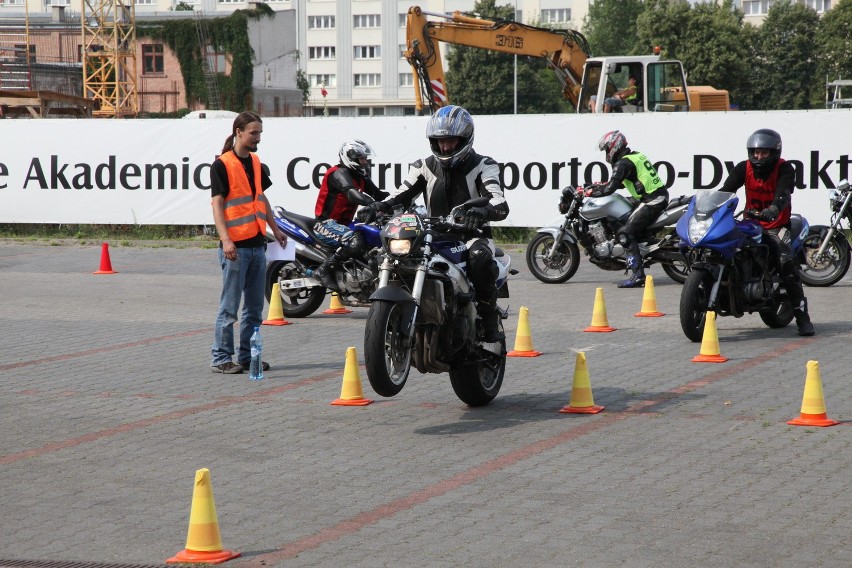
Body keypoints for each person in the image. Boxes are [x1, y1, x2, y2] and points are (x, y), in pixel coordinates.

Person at [365, 105, 509, 343]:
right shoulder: (424, 166)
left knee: (479, 257)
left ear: (464, 139)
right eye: (439, 141)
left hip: (472, 235)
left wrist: (480, 212)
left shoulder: (484, 165)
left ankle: (488, 317)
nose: (444, 147)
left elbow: (498, 201)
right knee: (391, 255)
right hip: (435, 234)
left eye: (450, 141)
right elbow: (400, 194)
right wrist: (378, 206)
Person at [210, 111, 288, 374]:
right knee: (229, 308)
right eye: (254, 133)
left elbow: (261, 198)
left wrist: (275, 229)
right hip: (235, 249)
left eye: (260, 133)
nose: (258, 138)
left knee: (254, 310)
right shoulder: (222, 164)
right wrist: (226, 240)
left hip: (257, 246)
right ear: (239, 132)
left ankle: (247, 357)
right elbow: (217, 205)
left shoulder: (255, 162)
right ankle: (221, 358)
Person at [718, 128, 814, 336]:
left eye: (764, 152)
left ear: (774, 152)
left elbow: (784, 192)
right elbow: (726, 190)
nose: (759, 156)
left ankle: (802, 317)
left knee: (786, 265)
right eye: (755, 152)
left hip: (777, 225)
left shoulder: (785, 168)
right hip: (750, 223)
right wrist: (712, 204)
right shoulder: (743, 168)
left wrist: (774, 209)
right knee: (725, 249)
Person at [587, 130, 668, 288]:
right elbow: (617, 183)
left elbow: (610, 189)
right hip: (650, 197)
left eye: (607, 150)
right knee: (614, 215)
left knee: (626, 233)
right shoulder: (634, 156)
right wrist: (598, 186)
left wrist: (591, 192)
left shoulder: (623, 163)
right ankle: (638, 242)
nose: (606, 154)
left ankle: (638, 275)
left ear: (614, 146)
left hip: (652, 200)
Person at [307, 139, 387, 289]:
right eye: (361, 159)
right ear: (350, 158)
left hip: (344, 224)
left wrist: (398, 201)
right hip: (326, 223)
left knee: (371, 237)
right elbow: (351, 193)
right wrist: (370, 203)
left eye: (365, 159)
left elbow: (379, 195)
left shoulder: (360, 177)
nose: (364, 162)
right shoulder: (338, 173)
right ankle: (323, 269)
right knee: (355, 240)